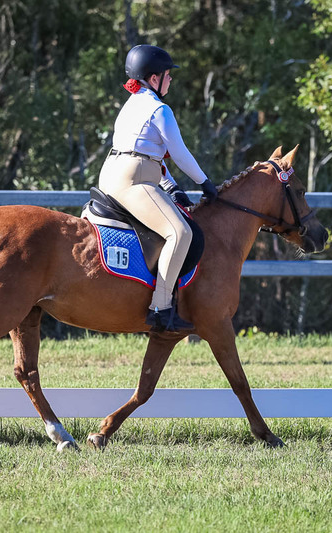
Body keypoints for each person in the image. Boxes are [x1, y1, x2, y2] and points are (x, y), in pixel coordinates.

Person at [98, 44, 218, 332]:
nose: (170, 80)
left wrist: (171, 186)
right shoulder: (159, 109)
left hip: (114, 174)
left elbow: (145, 151)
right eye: (167, 75)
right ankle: (160, 307)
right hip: (133, 180)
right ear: (154, 79)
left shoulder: (131, 105)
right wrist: (205, 183)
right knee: (180, 232)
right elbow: (179, 154)